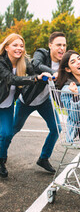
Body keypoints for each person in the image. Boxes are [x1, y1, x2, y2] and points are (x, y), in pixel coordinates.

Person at [8, 31, 66, 174]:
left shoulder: (64, 62)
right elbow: (36, 64)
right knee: (13, 129)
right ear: (50, 45)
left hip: (45, 101)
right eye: (58, 45)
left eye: (64, 45)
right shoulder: (42, 53)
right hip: (27, 101)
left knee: (56, 128)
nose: (62, 48)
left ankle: (43, 158)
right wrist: (53, 74)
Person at [0, 34, 51, 178]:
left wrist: (46, 74)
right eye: (15, 45)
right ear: (6, 47)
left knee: (6, 133)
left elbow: (35, 72)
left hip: (7, 104)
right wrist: (35, 78)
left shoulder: (23, 62)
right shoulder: (1, 62)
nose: (19, 48)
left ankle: (1, 160)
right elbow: (11, 79)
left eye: (21, 46)